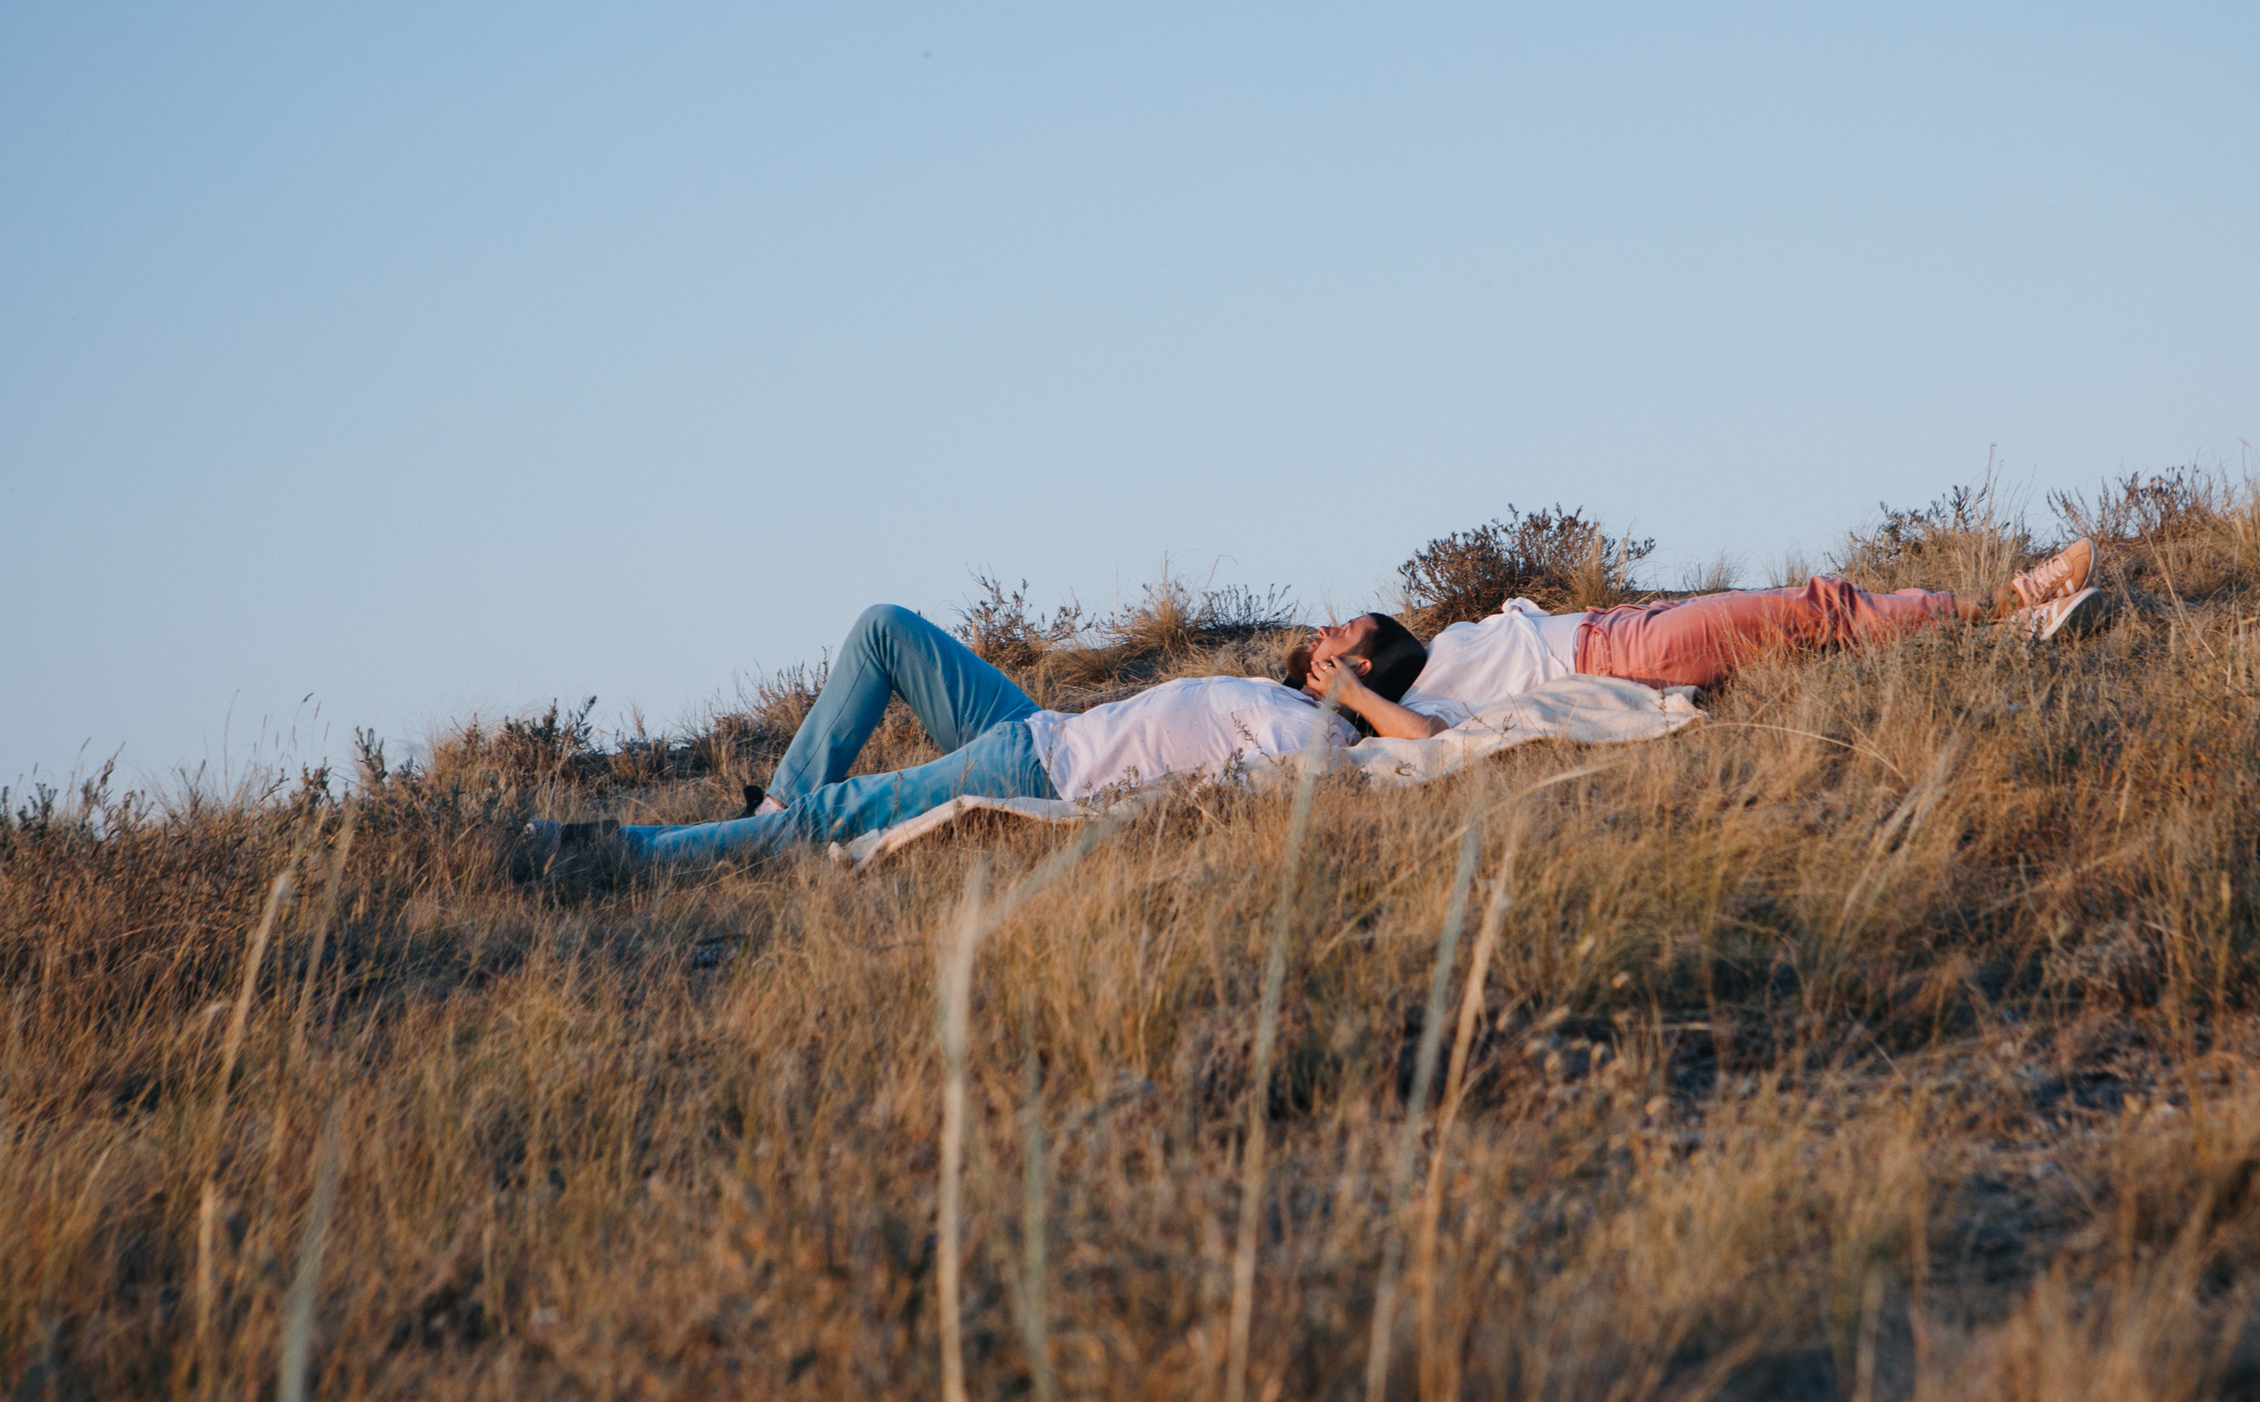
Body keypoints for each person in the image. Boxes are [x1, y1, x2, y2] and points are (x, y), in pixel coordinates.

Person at [520, 603, 1434, 873]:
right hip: (1040, 726)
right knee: (885, 629)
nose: (1318, 631)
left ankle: (619, 855)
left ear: (1350, 672)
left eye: (1338, 636)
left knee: (834, 817)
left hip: (1034, 767)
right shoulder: (1270, 697)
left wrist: (1353, 699)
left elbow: (1426, 741)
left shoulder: (1313, 744)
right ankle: (773, 807)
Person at [1399, 539, 2103, 730]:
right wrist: (1335, 690)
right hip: (1617, 655)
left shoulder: (1432, 651)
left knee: (1808, 634)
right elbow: (1412, 741)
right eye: (1326, 644)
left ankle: (2014, 633)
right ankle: (2016, 599)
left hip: (1614, 626)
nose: (1331, 627)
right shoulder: (1408, 703)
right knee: (1816, 608)